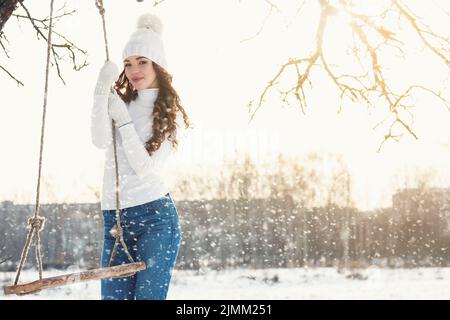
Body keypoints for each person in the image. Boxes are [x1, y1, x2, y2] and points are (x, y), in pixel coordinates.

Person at [91, 12, 190, 300]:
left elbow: (146, 168)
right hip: (114, 219)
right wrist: (99, 93)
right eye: (128, 63)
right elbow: (99, 140)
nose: (134, 69)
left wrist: (123, 123)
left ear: (157, 64)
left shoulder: (169, 112)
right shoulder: (122, 102)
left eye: (142, 61)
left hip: (154, 218)